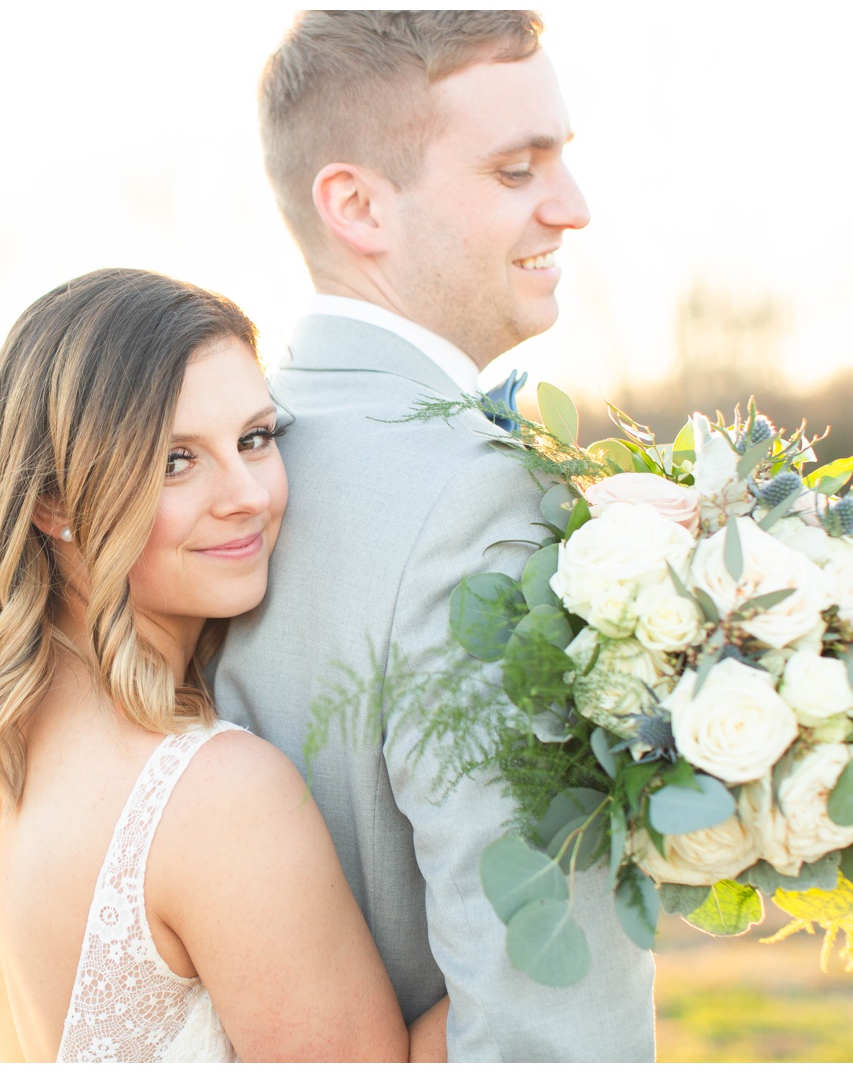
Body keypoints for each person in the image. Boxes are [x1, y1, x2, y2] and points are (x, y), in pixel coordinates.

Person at [213, 10, 656, 1061]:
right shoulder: (479, 498)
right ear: (357, 204)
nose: (573, 206)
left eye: (563, 160)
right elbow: (544, 1002)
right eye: (516, 170)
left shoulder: (226, 462)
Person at [0, 268, 423, 1062]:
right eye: (177, 459)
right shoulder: (219, 796)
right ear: (53, 505)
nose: (247, 493)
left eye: (255, 438)